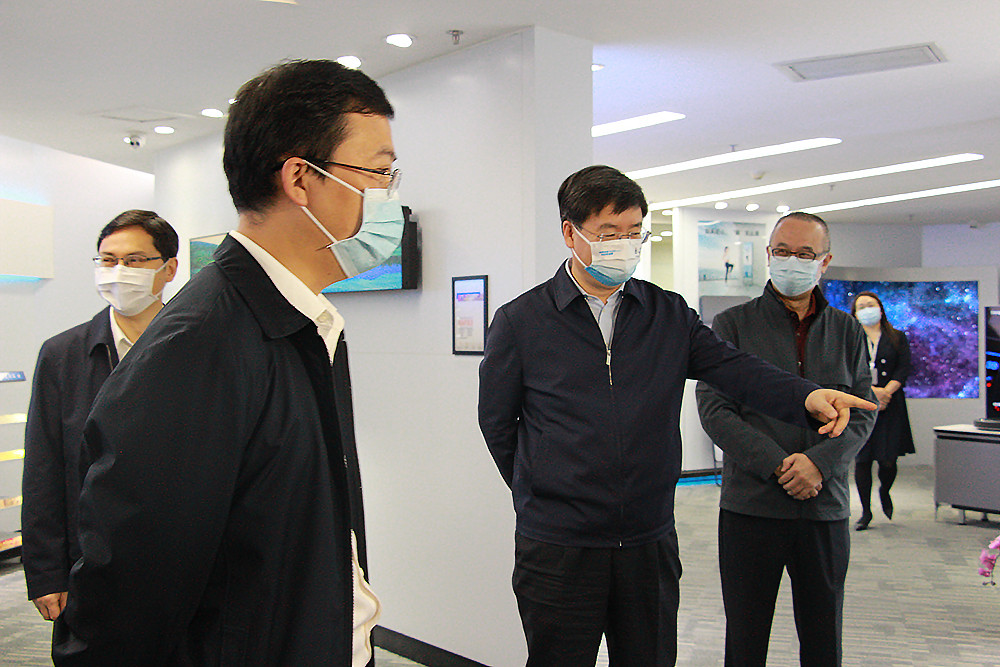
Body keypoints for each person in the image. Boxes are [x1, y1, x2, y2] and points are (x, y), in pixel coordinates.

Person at [52, 60, 400, 666]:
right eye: (377, 172)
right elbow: (128, 591)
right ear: (300, 178)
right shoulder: (200, 343)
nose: (388, 195)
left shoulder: (303, 323)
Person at [478, 167, 875, 667]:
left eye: (634, 233)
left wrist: (807, 396)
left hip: (648, 540)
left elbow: (737, 370)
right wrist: (540, 489)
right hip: (559, 546)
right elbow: (497, 424)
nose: (624, 246)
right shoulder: (522, 321)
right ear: (570, 233)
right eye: (608, 234)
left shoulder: (666, 314)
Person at [696, 211, 877, 667]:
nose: (791, 261)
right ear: (768, 254)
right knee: (746, 636)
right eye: (782, 251)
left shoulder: (846, 330)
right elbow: (715, 409)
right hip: (752, 506)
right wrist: (778, 465)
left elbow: (861, 412)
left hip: (824, 506)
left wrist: (818, 465)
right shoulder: (732, 325)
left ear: (824, 261)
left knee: (823, 637)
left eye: (804, 254)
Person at [22, 210, 179, 623]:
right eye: (108, 260)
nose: (119, 271)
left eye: (135, 260)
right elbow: (43, 465)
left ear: (168, 269)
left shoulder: (198, 346)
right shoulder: (63, 354)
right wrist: (45, 571)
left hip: (179, 553)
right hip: (91, 556)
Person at [850, 291, 915, 530]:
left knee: (888, 460)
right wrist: (871, 392)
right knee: (862, 459)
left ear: (880, 308)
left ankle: (885, 490)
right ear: (854, 313)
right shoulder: (850, 338)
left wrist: (886, 392)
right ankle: (865, 512)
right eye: (861, 307)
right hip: (862, 403)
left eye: (870, 304)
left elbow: (904, 368)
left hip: (891, 403)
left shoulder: (897, 337)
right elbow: (846, 369)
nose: (866, 309)